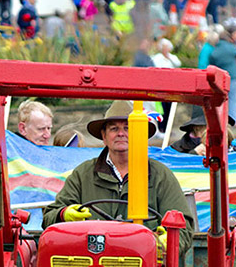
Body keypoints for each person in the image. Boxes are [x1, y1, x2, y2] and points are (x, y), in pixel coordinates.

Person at [42, 100, 196, 255]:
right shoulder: (83, 174)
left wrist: (166, 243)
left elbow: (183, 228)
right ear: (104, 136)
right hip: (90, 266)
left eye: (128, 128)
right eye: (114, 128)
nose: (121, 133)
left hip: (144, 266)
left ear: (139, 133)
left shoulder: (160, 175)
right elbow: (49, 217)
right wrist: (64, 214)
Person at [208, 27, 236, 120]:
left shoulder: (215, 50)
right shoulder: (232, 47)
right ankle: (233, 119)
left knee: (222, 100)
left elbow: (211, 62)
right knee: (233, 99)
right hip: (233, 76)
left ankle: (222, 119)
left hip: (220, 78)